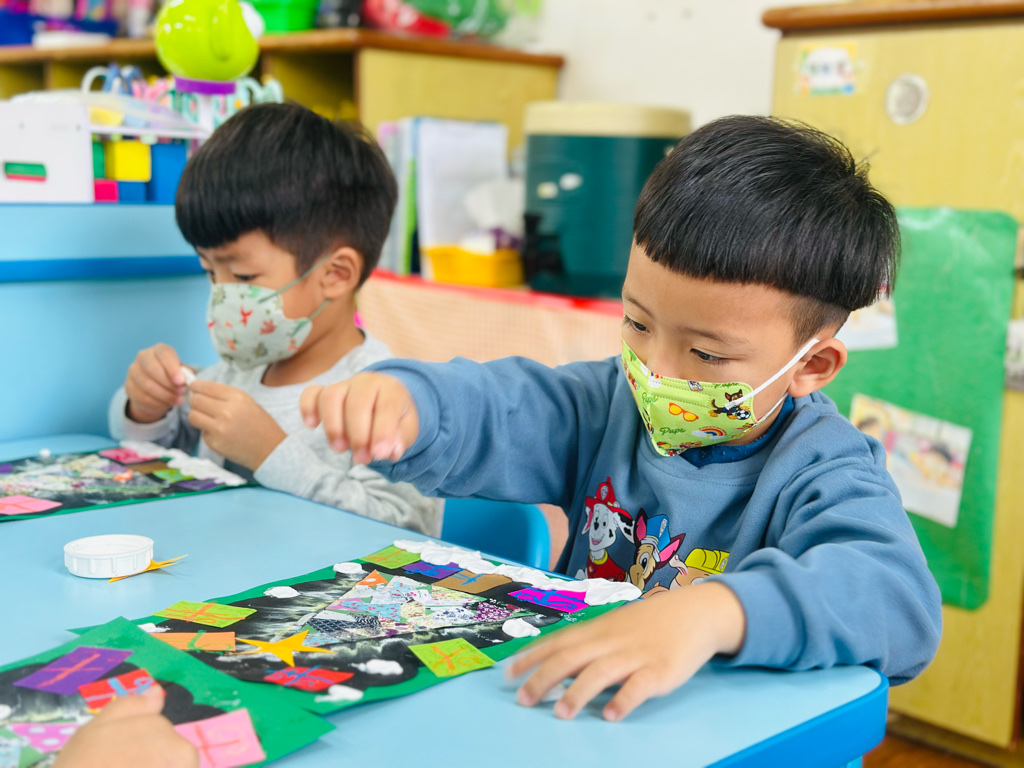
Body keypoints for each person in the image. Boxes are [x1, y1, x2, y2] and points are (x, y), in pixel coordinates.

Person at [300, 116, 942, 721]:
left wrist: (715, 613)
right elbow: (504, 405)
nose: (654, 369)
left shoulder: (825, 468)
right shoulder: (605, 406)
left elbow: (896, 600)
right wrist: (411, 403)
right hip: (589, 718)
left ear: (813, 365)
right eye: (637, 322)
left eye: (706, 354)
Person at [110, 102, 440, 535]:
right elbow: (159, 463)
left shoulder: (385, 398)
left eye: (244, 276)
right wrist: (146, 408)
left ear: (335, 275)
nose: (222, 294)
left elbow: (405, 529)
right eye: (210, 272)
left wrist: (271, 453)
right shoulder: (236, 371)